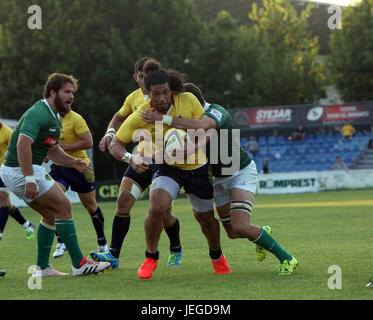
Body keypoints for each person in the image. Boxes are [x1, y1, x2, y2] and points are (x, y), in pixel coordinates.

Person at [142, 82, 298, 275]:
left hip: (239, 172)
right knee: (233, 232)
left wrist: (164, 119)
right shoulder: (187, 122)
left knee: (241, 225)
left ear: (192, 102)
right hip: (217, 179)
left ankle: (288, 259)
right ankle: (261, 235)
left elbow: (202, 127)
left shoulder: (216, 112)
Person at [108, 69, 230, 280]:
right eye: (157, 94)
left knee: (206, 218)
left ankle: (217, 255)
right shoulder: (141, 114)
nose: (163, 98)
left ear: (171, 89)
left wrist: (193, 148)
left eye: (166, 92)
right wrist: (132, 158)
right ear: (148, 93)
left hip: (197, 166)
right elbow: (116, 144)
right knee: (156, 207)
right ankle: (151, 256)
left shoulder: (188, 100)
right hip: (167, 166)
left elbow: (208, 129)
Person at [0, 73, 110, 276]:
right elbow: (23, 144)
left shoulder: (55, 117)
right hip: (20, 171)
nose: (71, 97)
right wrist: (30, 179)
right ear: (52, 92)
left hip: (25, 170)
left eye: (73, 93)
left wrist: (72, 162)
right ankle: (80, 264)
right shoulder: (38, 113)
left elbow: (52, 150)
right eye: (67, 92)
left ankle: (42, 268)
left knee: (50, 215)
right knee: (64, 206)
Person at [90, 59, 185, 269]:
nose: (145, 80)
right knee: (123, 201)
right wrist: (111, 133)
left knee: (164, 212)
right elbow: (118, 117)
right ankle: (113, 255)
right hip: (141, 158)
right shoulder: (132, 98)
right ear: (137, 77)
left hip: (165, 163)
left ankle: (176, 247)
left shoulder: (173, 96)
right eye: (142, 76)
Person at [49, 107, 108, 258]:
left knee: (90, 206)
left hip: (80, 167)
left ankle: (102, 243)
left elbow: (88, 142)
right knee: (53, 200)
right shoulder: (49, 118)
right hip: (59, 168)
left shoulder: (76, 118)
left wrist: (62, 148)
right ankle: (61, 242)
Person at [0, 118, 35, 240]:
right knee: (6, 204)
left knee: (2, 199)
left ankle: (0, 232)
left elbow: (18, 150)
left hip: (5, 171)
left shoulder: (8, 132)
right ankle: (27, 225)